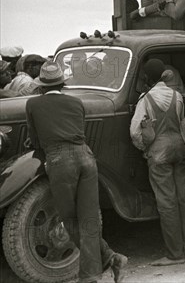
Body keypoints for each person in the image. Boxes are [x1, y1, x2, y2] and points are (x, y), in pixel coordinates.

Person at [26, 61, 127, 283]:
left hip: (60, 160)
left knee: (69, 219)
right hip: (85, 157)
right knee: (88, 218)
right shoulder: (76, 103)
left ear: (42, 87)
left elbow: (34, 139)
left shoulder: (33, 104)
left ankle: (92, 275)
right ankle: (111, 258)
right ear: (62, 84)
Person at [129, 59, 185, 267]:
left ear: (147, 77)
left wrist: (145, 148)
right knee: (183, 199)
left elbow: (134, 132)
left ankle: (175, 254)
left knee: (167, 203)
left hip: (159, 152)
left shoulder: (145, 99)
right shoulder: (177, 96)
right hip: (180, 148)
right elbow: (181, 120)